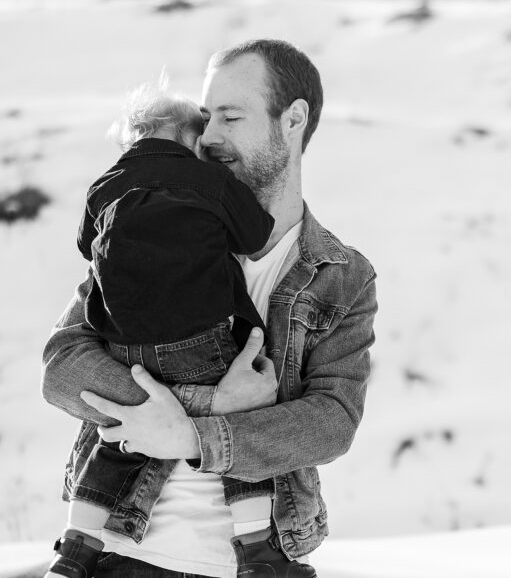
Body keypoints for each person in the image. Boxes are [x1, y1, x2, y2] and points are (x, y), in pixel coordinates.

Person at [41, 39, 378, 578]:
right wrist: (206, 404)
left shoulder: (340, 275)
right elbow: (62, 368)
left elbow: (332, 422)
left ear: (292, 120)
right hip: (118, 555)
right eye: (205, 117)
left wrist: (193, 438)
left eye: (231, 116)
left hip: (258, 564)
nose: (210, 136)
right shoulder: (151, 228)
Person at [45, 81, 290, 578]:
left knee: (118, 438)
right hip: (199, 336)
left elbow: (84, 243)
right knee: (241, 427)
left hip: (122, 342)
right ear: (188, 137)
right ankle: (258, 552)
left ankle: (75, 551)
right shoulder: (207, 180)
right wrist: (215, 405)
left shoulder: (105, 184)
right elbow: (256, 233)